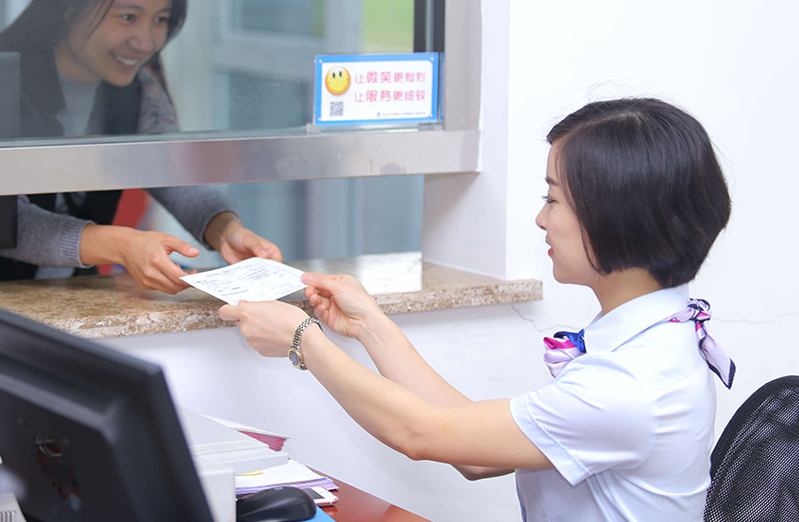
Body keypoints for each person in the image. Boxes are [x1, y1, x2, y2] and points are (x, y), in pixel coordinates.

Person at [218, 98, 735, 520]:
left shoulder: (629, 388)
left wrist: (303, 340)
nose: (540, 219)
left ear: (615, 218)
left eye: (553, 200)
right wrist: (369, 325)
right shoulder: (652, 340)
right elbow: (470, 451)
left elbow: (421, 434)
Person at [0, 0, 280, 293]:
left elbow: (173, 169)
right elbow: (2, 221)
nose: (145, 41)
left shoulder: (139, 88)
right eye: (128, 17)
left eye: (161, 20)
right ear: (70, 8)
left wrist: (226, 229)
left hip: (63, 300)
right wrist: (121, 244)